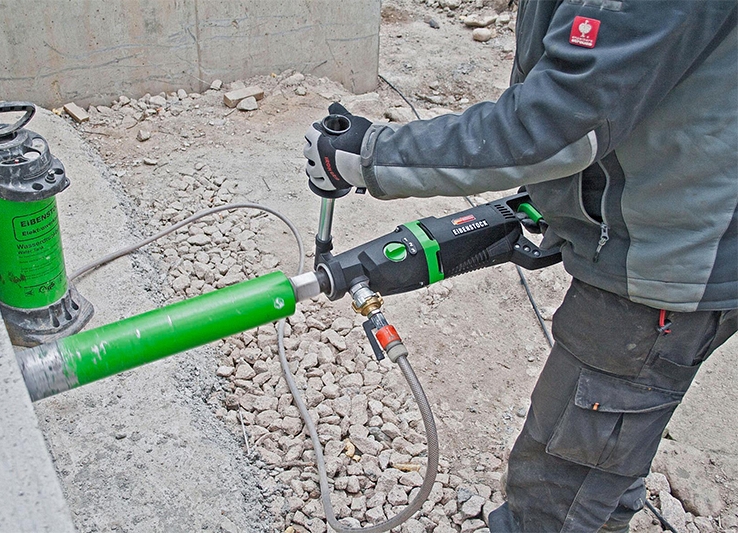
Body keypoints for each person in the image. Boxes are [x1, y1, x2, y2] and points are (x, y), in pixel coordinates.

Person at [304, 1, 737, 531]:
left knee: (556, 487)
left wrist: (370, 154)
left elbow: (557, 123)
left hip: (665, 272)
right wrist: (566, 198)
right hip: (676, 231)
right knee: (605, 462)